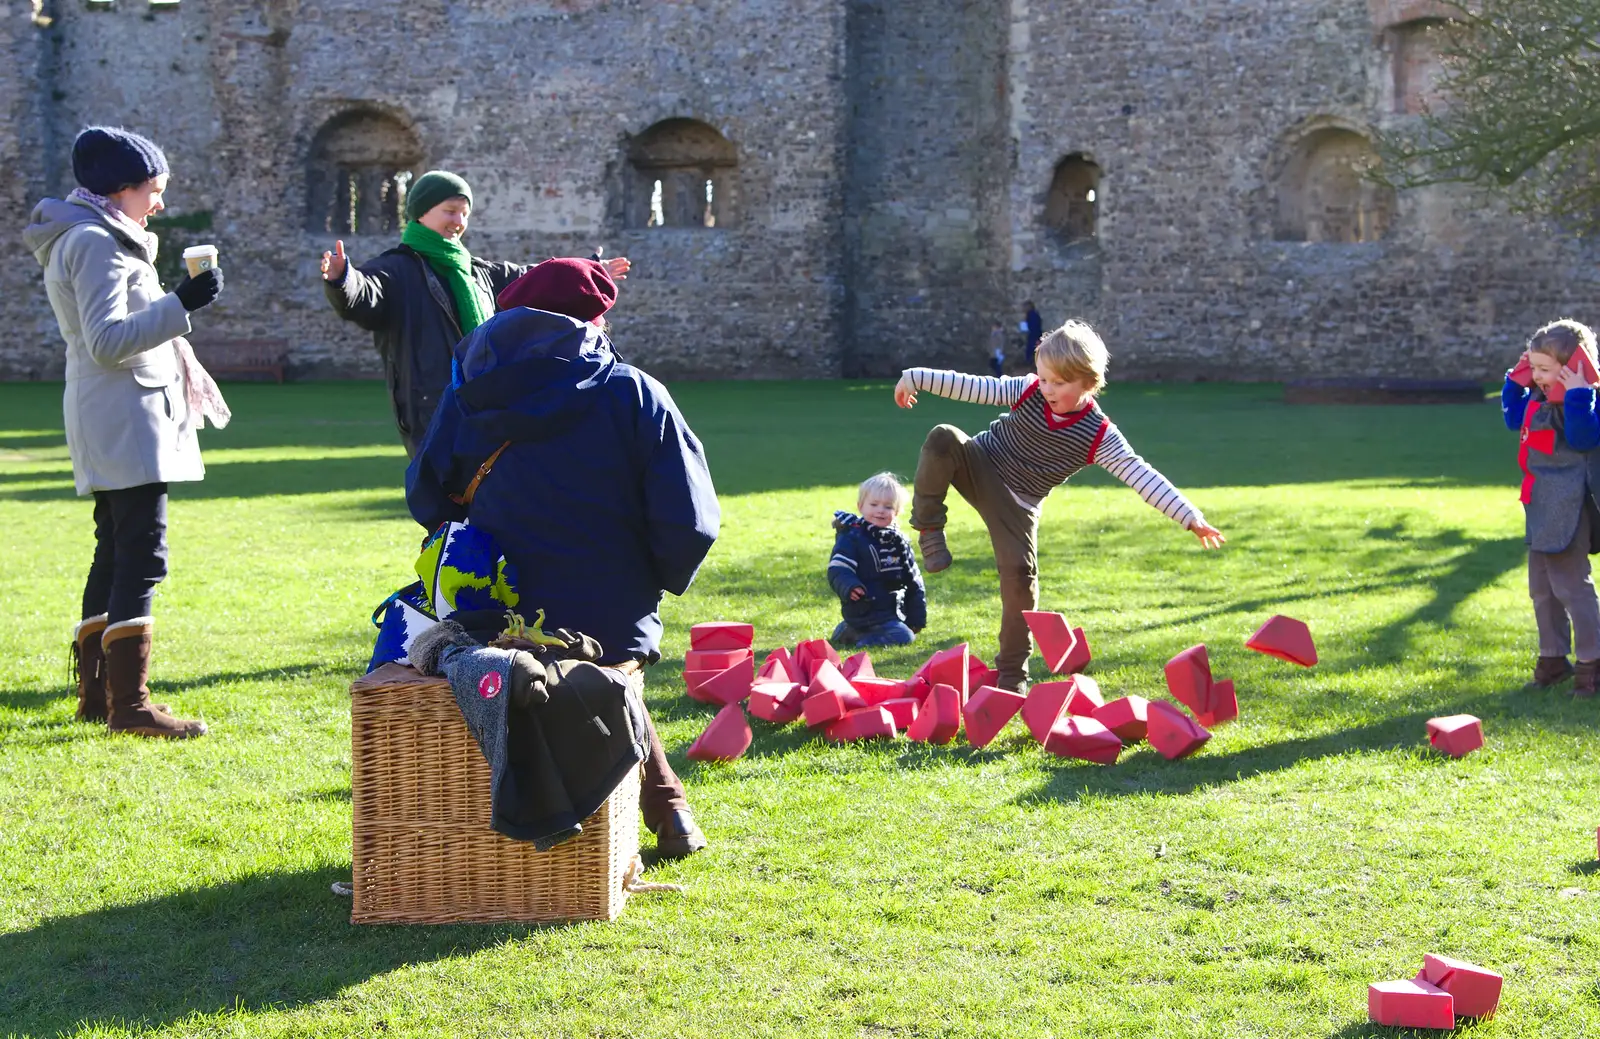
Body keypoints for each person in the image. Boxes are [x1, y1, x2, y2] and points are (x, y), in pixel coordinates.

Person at [406, 257, 719, 857]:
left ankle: (666, 804)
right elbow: (689, 518)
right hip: (609, 609)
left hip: (493, 605)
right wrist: (648, 578)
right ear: (594, 320)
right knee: (611, 666)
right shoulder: (633, 391)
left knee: (583, 667)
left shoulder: (467, 387)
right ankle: (667, 806)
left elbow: (427, 491)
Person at [24, 126, 229, 739]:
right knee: (142, 553)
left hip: (117, 411)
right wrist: (182, 302)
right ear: (122, 187)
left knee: (115, 549)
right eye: (155, 189)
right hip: (123, 412)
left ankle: (100, 696)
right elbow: (108, 341)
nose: (161, 202)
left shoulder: (98, 236)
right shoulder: (94, 242)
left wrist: (174, 302)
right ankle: (130, 705)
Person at [894, 319, 1225, 691]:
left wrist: (1190, 516)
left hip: (1018, 504)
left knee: (1021, 577)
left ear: (1088, 382)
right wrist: (915, 376)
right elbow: (976, 386)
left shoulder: (1099, 435)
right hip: (980, 464)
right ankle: (930, 529)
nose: (1047, 388)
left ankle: (1011, 676)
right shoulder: (1028, 390)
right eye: (1044, 378)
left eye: (1058, 383)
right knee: (943, 437)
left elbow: (1139, 474)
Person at [319, 170, 631, 456]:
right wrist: (342, 278)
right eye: (450, 211)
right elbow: (363, 297)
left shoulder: (477, 271)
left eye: (464, 213)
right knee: (447, 505)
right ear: (421, 213)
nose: (458, 221)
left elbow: (537, 279)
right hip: (435, 409)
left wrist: (589, 270)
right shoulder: (396, 270)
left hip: (494, 403)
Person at [1501, 319, 1600, 697]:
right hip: (1540, 506)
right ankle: (1553, 659)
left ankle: (1593, 661)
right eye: (1535, 368)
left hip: (1570, 508)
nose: (1539, 378)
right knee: (1541, 589)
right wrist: (1516, 381)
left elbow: (1583, 437)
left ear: (1575, 365)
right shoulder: (1538, 399)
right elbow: (1513, 418)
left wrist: (1578, 394)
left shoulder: (1586, 400)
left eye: (1545, 370)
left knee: (1572, 587)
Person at [828, 472, 927, 647]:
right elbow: (838, 569)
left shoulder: (899, 542)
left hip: (890, 614)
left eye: (888, 507)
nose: (880, 510)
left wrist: (916, 619)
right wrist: (850, 586)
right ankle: (862, 639)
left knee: (906, 633)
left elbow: (914, 582)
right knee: (905, 637)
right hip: (861, 608)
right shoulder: (852, 537)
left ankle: (851, 632)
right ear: (860, 506)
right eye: (874, 504)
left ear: (897, 512)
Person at [1021, 300, 1043, 368]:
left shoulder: (1032, 315)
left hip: (1034, 336)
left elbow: (1034, 327)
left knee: (1031, 353)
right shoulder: (1033, 314)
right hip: (1034, 336)